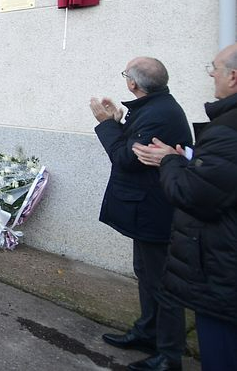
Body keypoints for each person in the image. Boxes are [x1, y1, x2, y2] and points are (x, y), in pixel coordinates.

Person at [133, 43, 237, 371]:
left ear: (233, 77)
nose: (210, 74)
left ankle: (167, 353)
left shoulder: (225, 129)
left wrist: (170, 161)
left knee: (219, 352)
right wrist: (186, 159)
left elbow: (194, 192)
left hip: (220, 266)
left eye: (214, 68)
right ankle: (152, 336)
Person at [90, 57, 191, 371]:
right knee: (146, 274)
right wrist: (119, 122)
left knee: (162, 283)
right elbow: (133, 147)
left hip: (154, 211)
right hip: (147, 209)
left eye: (126, 76)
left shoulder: (158, 114)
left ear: (133, 84)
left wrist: (105, 123)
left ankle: (170, 355)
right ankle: (148, 332)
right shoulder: (154, 108)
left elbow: (124, 158)